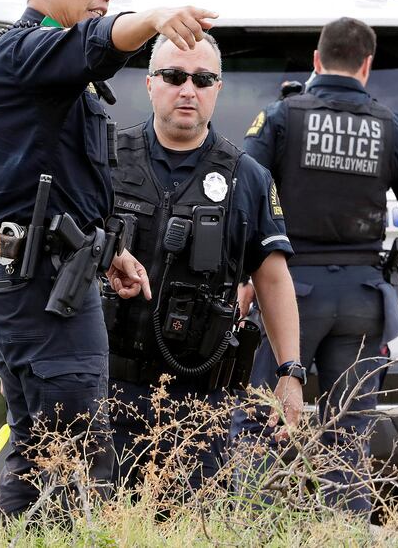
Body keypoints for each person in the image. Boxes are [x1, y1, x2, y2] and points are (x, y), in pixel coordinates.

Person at [0, 0, 218, 518]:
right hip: (39, 284)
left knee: (44, 449)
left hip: (49, 272)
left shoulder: (49, 75)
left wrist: (110, 251)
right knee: (77, 458)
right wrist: (154, 19)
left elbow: (59, 182)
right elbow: (98, 44)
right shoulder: (23, 51)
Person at [233, 17, 398, 513]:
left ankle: (248, 531)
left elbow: (242, 196)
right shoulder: (392, 127)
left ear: (315, 60)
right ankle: (344, 535)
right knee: (348, 438)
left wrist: (245, 279)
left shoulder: (281, 118)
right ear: (367, 66)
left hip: (288, 292)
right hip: (360, 300)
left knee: (264, 424)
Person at [104, 33, 304, 493]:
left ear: (219, 89)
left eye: (202, 79)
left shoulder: (247, 177)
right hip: (106, 392)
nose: (187, 90)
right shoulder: (107, 160)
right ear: (150, 84)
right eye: (174, 77)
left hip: (199, 406)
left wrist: (290, 372)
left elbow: (273, 280)